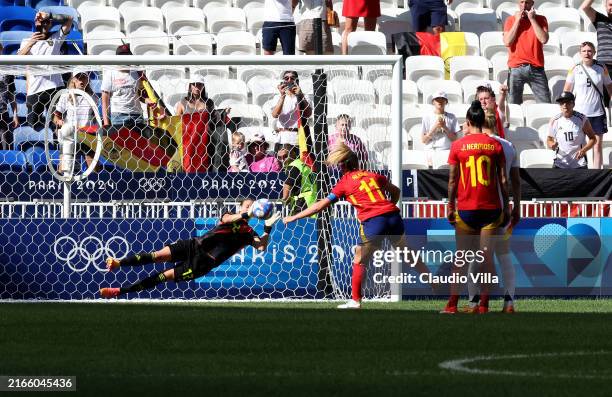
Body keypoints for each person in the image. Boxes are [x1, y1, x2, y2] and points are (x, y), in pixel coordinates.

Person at [283, 143, 430, 309]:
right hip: (393, 216)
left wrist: (294, 216)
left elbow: (319, 206)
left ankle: (355, 301)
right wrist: (387, 207)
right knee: (408, 255)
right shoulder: (373, 175)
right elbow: (396, 191)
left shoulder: (344, 183)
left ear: (343, 165)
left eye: (338, 164)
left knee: (359, 260)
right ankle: (435, 285)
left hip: (375, 220)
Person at [100, 199, 282, 298]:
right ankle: (118, 263)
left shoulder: (249, 232)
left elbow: (261, 247)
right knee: (158, 255)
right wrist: (246, 213)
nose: (250, 208)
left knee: (164, 276)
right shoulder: (229, 215)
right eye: (247, 206)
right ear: (241, 207)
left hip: (204, 262)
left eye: (252, 207)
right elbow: (226, 220)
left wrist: (267, 227)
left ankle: (120, 291)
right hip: (194, 244)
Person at [442, 100, 509, 314]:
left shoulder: (458, 146)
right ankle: (484, 305)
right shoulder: (495, 145)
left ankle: (452, 304)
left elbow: (452, 180)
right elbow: (503, 180)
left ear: (469, 122)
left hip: (467, 208)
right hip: (491, 208)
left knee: (461, 258)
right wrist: (507, 207)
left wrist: (450, 206)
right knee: (486, 257)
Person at [463, 103, 521, 314]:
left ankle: (474, 302)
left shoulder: (470, 144)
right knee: (503, 255)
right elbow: (515, 181)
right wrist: (517, 207)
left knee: (475, 256)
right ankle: (509, 302)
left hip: (480, 206)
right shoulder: (508, 146)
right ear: (496, 123)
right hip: (502, 208)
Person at [18, 11, 73, 130]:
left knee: (58, 123)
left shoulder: (56, 37)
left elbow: (69, 19)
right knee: (33, 125)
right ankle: (46, 137)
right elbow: (19, 59)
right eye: (40, 21)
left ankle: (58, 144)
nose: (43, 24)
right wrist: (30, 43)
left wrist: (50, 15)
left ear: (50, 24)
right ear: (35, 23)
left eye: (46, 22)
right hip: (35, 88)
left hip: (55, 87)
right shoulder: (26, 41)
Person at [563, 42, 612, 169]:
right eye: (584, 51)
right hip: (580, 114)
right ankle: (580, 172)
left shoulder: (602, 68)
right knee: (578, 145)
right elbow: (567, 91)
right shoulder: (575, 69)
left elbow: (609, 87)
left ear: (594, 53)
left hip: (597, 113)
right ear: (580, 53)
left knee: (597, 145)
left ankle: (597, 174)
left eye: (590, 51)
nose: (587, 53)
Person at [503, 0, 551, 104]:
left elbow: (543, 39)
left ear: (532, 4)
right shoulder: (510, 20)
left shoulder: (541, 19)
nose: (524, 5)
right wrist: (517, 21)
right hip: (516, 67)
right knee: (513, 106)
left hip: (536, 68)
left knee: (545, 104)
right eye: (521, 2)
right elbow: (507, 42)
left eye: (527, 2)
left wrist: (532, 19)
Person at [52, 71, 99, 174]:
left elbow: (98, 120)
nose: (81, 81)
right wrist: (59, 122)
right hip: (70, 134)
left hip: (88, 135)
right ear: (73, 79)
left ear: (88, 79)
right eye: (78, 78)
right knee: (63, 169)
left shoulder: (93, 97)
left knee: (94, 169)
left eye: (84, 77)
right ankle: (61, 186)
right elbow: (55, 117)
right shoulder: (65, 95)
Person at [101, 44, 150, 128]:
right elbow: (105, 100)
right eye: (122, 56)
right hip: (118, 116)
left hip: (137, 115)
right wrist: (106, 123)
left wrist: (148, 101)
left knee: (138, 141)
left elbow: (140, 95)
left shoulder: (137, 72)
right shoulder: (110, 74)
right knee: (120, 141)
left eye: (127, 56)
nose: (124, 59)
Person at [547, 91, 597, 169]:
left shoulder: (582, 119)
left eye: (567, 102)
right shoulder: (554, 120)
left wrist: (583, 150)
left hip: (579, 164)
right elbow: (549, 139)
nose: (564, 105)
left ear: (573, 104)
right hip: (560, 163)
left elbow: (593, 139)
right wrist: (552, 145)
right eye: (562, 103)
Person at [270, 70, 312, 148]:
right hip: (282, 138)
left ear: (297, 80)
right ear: (283, 81)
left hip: (299, 138)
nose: (289, 80)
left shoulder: (304, 96)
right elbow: (275, 115)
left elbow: (308, 114)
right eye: (286, 78)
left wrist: (301, 95)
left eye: (292, 78)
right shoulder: (277, 97)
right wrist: (282, 96)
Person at [421, 91, 459, 166]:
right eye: (437, 99)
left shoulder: (452, 117)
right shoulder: (427, 117)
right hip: (431, 150)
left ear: (446, 102)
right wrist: (435, 127)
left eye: (442, 99)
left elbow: (455, 139)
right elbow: (424, 140)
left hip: (447, 150)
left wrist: (445, 127)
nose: (440, 101)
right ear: (433, 102)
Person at [278, 144, 317, 215]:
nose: (282, 160)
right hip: (314, 202)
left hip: (303, 205)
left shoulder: (292, 167)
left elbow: (286, 196)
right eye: (279, 157)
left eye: (285, 156)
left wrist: (276, 204)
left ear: (293, 153)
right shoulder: (303, 164)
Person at [580, 0, 612, 76]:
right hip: (603, 66)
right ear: (605, 6)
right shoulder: (600, 19)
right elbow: (585, 7)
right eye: (610, 5)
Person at [0, 45, 19, 150]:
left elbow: (11, 95)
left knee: (5, 146)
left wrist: (15, 115)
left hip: (3, 114)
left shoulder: (7, 71)